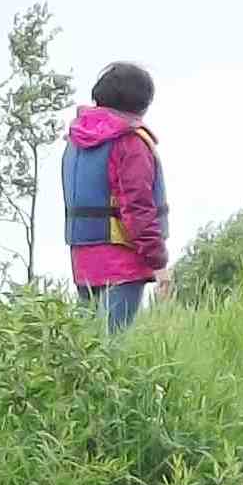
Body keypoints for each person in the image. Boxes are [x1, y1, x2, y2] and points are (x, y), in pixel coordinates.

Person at [63, 62, 168, 333]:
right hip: (122, 260)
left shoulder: (76, 138)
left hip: (83, 257)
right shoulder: (130, 142)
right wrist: (158, 263)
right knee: (111, 350)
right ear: (142, 103)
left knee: (83, 350)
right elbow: (137, 208)